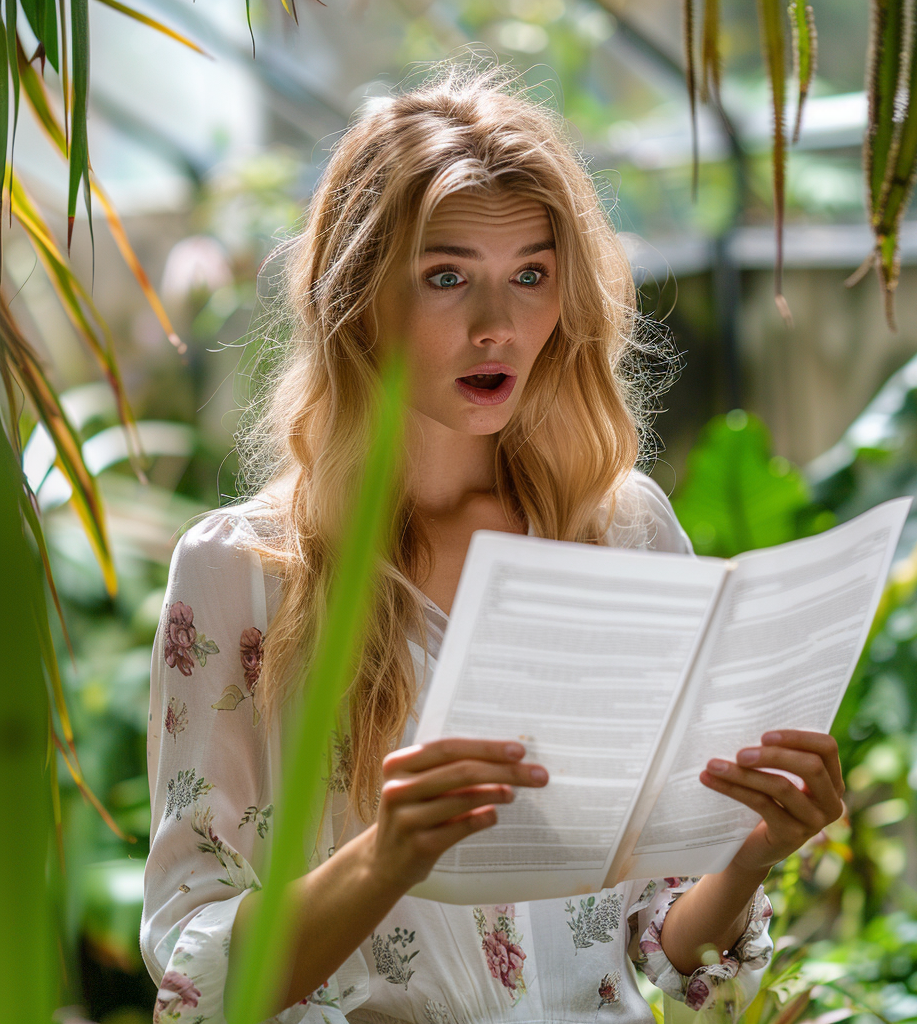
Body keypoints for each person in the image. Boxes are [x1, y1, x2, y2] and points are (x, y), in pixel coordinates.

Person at [140, 59, 845, 1024]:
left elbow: (662, 933)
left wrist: (756, 846)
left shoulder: (624, 534)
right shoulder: (241, 572)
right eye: (446, 277)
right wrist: (386, 857)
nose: (497, 326)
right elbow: (199, 971)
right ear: (357, 298)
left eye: (530, 276)